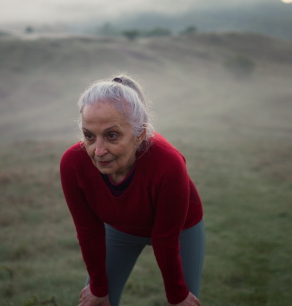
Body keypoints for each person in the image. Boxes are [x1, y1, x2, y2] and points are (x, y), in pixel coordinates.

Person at [60, 75, 205, 306]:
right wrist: (99, 289)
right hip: (120, 228)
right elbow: (88, 230)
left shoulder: (168, 163)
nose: (98, 151)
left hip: (180, 229)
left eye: (112, 135)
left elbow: (165, 238)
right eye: (89, 136)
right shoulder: (73, 163)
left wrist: (177, 296)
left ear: (139, 134)